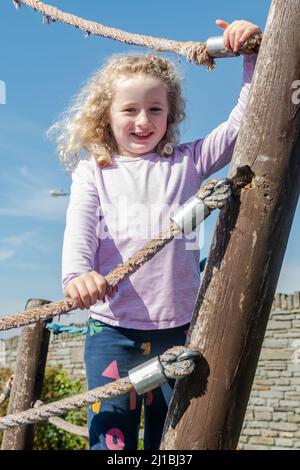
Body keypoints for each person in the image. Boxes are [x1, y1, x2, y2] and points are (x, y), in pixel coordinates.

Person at [50, 18, 261, 450]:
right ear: (105, 117)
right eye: (129, 110)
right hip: (112, 331)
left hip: (179, 328)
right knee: (111, 437)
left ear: (171, 114)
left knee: (173, 438)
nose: (143, 120)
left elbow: (244, 122)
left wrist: (252, 56)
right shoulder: (96, 171)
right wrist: (77, 275)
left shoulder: (188, 163)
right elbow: (81, 226)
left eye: (155, 109)